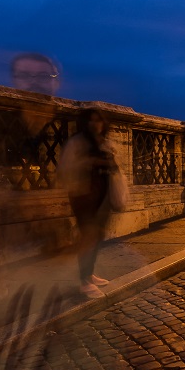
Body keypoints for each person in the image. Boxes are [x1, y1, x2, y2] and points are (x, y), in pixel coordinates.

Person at [61, 108, 117, 298]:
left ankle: (89, 274)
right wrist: (92, 162)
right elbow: (66, 168)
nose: (95, 125)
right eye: (91, 121)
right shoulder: (77, 143)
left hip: (103, 194)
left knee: (97, 235)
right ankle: (84, 281)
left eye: (98, 120)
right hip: (84, 195)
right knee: (88, 236)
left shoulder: (105, 143)